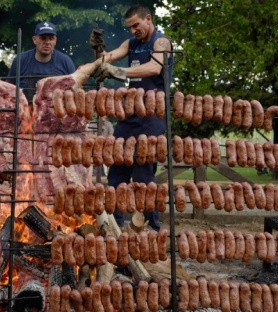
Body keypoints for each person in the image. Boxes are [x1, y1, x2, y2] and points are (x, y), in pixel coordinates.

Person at [92, 5, 173, 231]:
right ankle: (115, 227)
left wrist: (118, 72)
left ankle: (151, 229)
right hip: (128, 115)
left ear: (148, 19)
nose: (133, 30)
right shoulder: (131, 43)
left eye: (136, 25)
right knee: (117, 171)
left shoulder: (161, 42)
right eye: (130, 27)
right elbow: (109, 57)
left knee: (143, 177)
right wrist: (98, 54)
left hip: (152, 116)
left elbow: (154, 68)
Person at [8, 22, 76, 100]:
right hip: (26, 110)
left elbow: (74, 90)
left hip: (56, 110)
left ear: (55, 41)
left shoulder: (65, 61)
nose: (47, 42)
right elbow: (9, 89)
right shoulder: (20, 60)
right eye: (43, 38)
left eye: (51, 38)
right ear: (34, 40)